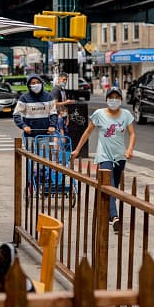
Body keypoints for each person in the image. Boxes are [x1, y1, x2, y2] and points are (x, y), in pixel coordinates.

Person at [70, 87, 136, 234]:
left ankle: (108, 213)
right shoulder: (99, 114)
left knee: (113, 188)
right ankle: (115, 217)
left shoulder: (126, 115)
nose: (114, 100)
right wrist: (77, 149)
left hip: (120, 157)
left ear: (121, 99)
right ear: (106, 100)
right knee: (109, 185)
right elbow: (87, 132)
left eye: (116, 97)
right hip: (104, 156)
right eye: (111, 97)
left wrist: (130, 149)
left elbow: (132, 134)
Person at [50, 72, 75, 137]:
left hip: (64, 115)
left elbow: (65, 105)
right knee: (60, 134)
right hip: (58, 116)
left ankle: (61, 147)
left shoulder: (63, 90)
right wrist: (66, 102)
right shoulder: (55, 90)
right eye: (63, 79)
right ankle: (59, 147)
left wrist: (67, 117)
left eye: (66, 80)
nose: (65, 81)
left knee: (63, 134)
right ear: (58, 79)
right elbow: (54, 104)